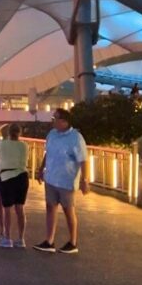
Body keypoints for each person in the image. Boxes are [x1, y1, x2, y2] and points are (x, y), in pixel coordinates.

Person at [33, 108, 88, 254]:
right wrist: (41, 168)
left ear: (64, 121)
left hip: (66, 180)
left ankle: (72, 242)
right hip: (51, 178)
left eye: (55, 118)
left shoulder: (76, 138)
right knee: (50, 207)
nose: (53, 121)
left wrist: (85, 180)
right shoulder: (52, 134)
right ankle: (49, 241)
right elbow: (47, 152)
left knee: (68, 210)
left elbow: (83, 160)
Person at [0, 124, 29, 249]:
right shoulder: (24, 145)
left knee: (7, 208)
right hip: (22, 176)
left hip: (7, 176)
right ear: (20, 133)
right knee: (20, 208)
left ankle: (7, 238)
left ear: (8, 133)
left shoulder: (3, 144)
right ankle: (21, 239)